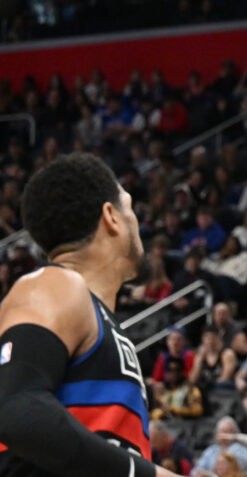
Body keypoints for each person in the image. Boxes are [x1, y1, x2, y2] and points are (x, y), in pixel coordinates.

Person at [0, 154, 179, 477]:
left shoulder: (94, 315)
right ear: (111, 216)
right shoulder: (54, 284)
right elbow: (16, 409)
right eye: (130, 208)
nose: (138, 224)